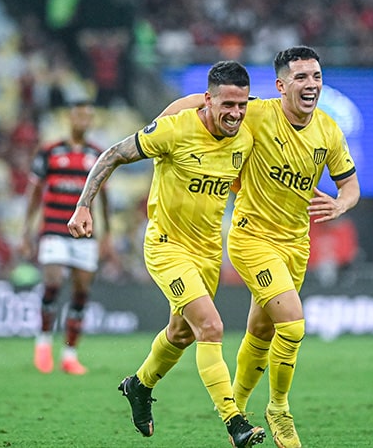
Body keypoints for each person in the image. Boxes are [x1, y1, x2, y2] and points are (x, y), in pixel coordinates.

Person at [159, 46, 360, 448]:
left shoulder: (328, 130)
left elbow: (350, 185)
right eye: (301, 77)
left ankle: (238, 412)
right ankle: (279, 409)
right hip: (252, 237)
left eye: (316, 76)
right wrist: (162, 123)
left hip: (294, 243)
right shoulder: (258, 112)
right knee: (294, 325)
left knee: (262, 330)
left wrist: (341, 202)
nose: (312, 85)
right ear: (281, 85)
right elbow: (203, 101)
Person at [68, 61, 265, 447]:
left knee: (181, 332)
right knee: (211, 327)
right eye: (227, 104)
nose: (236, 113)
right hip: (166, 246)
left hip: (208, 251)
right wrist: (83, 206)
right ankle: (235, 422)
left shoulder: (244, 137)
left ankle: (138, 386)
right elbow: (112, 155)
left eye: (242, 105)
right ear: (207, 100)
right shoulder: (175, 129)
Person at [20, 101, 111, 375]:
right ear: (69, 118)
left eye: (89, 116)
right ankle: (44, 343)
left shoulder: (97, 154)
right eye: (79, 115)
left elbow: (105, 197)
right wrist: (26, 229)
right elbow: (34, 193)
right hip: (54, 228)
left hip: (85, 233)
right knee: (53, 282)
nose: (84, 120)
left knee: (82, 291)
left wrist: (108, 235)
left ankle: (70, 354)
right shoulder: (49, 152)